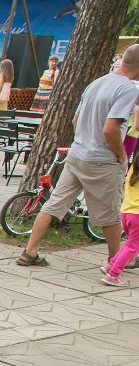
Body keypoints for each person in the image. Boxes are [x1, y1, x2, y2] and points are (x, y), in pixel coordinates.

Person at [19, 45, 139, 268]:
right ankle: (115, 261)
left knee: (54, 204)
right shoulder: (128, 90)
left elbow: (75, 120)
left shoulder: (96, 83)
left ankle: (30, 251)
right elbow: (110, 129)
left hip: (77, 155)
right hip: (103, 160)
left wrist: (84, 140)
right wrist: (121, 154)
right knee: (110, 213)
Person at [102, 148, 139, 287]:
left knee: (130, 244)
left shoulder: (133, 170)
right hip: (137, 215)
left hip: (126, 213)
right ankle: (113, 275)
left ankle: (111, 265)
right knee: (133, 246)